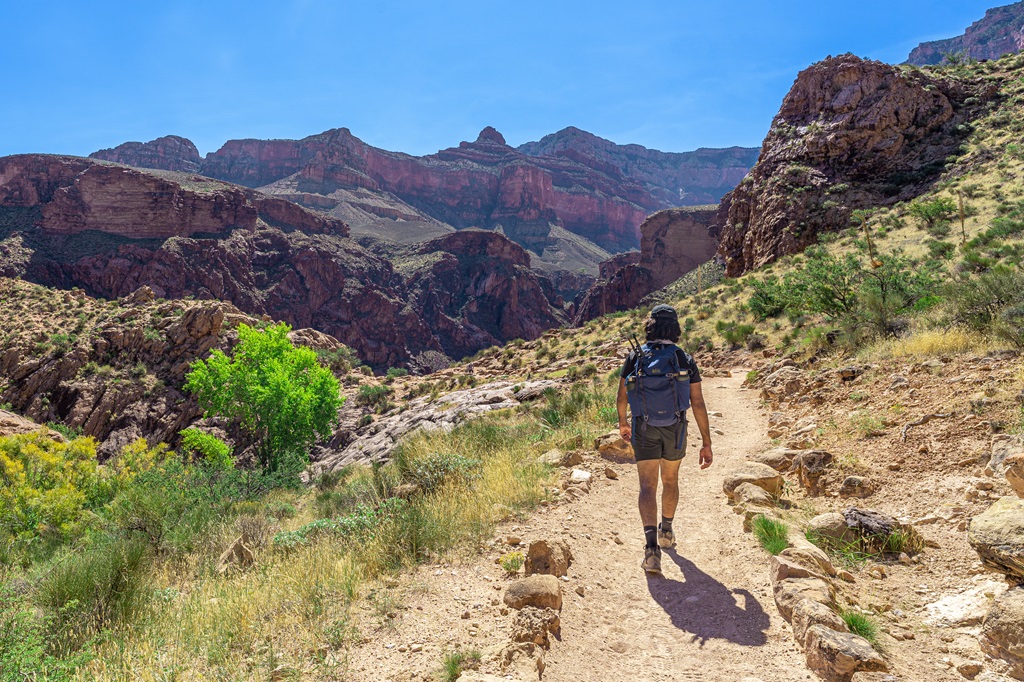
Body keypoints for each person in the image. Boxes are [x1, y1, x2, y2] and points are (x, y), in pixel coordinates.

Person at [616, 304, 714, 575]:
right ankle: (666, 531)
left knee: (647, 486)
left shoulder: (636, 357)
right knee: (670, 480)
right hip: (675, 428)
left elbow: (622, 396)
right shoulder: (684, 358)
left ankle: (651, 552)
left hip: (643, 426)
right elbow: (698, 402)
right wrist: (706, 442)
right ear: (675, 328)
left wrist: (624, 423)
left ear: (651, 326)